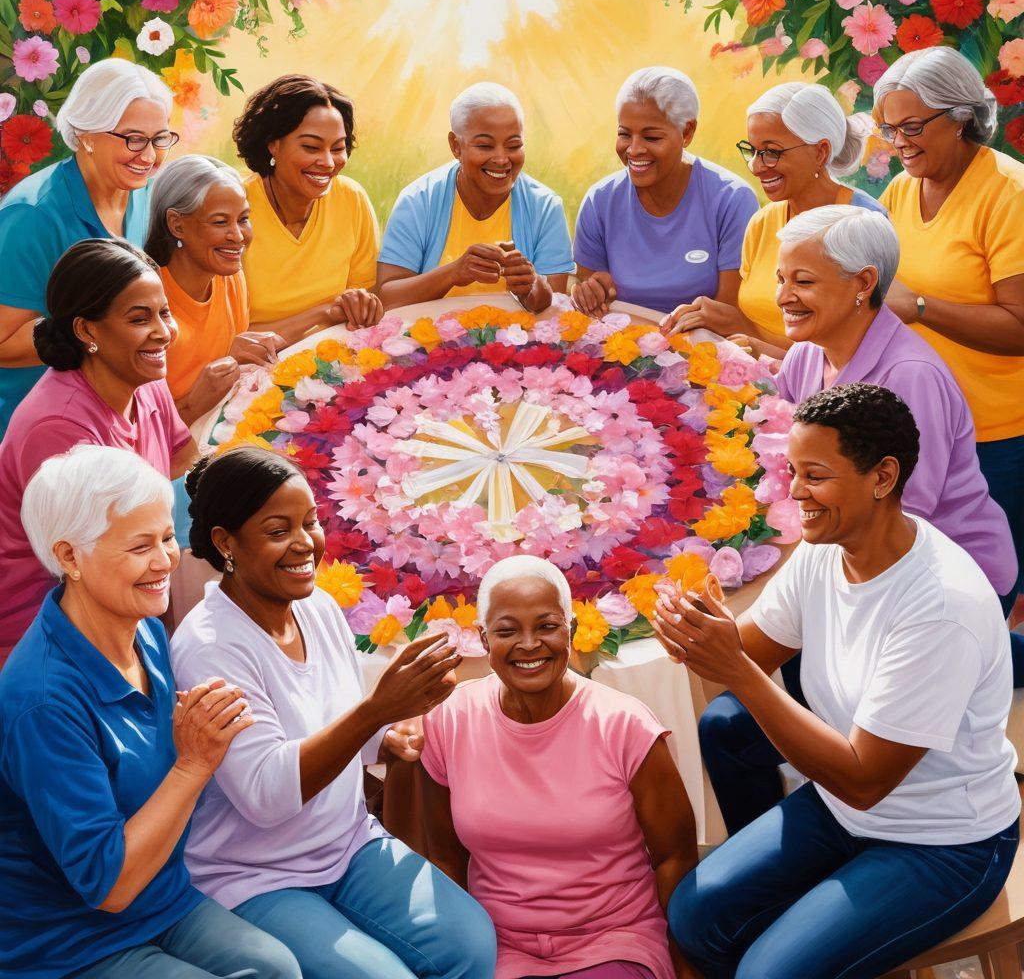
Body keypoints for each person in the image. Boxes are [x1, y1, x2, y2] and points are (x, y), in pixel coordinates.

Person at [654, 384, 1020, 979]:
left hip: (944, 845)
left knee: (768, 973)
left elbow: (863, 779)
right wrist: (695, 632)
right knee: (695, 920)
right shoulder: (825, 550)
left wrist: (737, 671)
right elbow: (747, 648)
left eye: (815, 476)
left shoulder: (940, 607)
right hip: (841, 812)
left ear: (882, 476)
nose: (796, 492)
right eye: (792, 471)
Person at [698, 204, 1019, 836]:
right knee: (740, 713)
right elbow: (777, 471)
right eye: (782, 278)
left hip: (935, 577)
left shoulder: (911, 376)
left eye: (804, 282)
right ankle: (780, 835)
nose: (783, 295)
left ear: (863, 284)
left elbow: (898, 519)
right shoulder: (807, 358)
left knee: (783, 693)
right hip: (848, 562)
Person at [170, 445, 497, 979]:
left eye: (311, 522)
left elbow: (337, 721)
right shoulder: (209, 646)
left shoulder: (316, 606)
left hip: (348, 846)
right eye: (278, 530)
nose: (305, 544)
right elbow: (267, 796)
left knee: (470, 945)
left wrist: (384, 737)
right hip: (254, 875)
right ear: (225, 542)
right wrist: (376, 713)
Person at [0, 444, 302, 978]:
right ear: (69, 557)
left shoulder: (145, 630)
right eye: (140, 546)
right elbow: (108, 886)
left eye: (166, 537)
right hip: (66, 941)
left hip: (164, 900)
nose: (165, 560)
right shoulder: (42, 700)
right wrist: (195, 761)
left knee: (277, 967)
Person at [420, 555, 697, 979]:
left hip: (614, 938)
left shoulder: (625, 725)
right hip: (498, 944)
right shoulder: (450, 718)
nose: (529, 644)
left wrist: (685, 964)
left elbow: (674, 856)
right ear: (483, 638)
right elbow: (443, 856)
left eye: (547, 626)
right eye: (507, 631)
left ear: (570, 629)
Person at [874, 47, 1024, 613]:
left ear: (961, 115)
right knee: (925, 603)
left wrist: (921, 307)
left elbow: (1020, 325)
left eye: (912, 126)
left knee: (981, 604)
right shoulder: (898, 192)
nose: (899, 142)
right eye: (889, 129)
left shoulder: (1009, 193)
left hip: (999, 437)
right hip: (916, 431)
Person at [0, 238, 196, 662]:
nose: (163, 331)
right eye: (140, 318)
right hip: (45, 633)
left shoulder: (144, 379)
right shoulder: (59, 427)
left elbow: (184, 458)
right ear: (87, 329)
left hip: (127, 588)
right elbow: (88, 571)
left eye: (164, 312)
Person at [0, 58, 174, 435]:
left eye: (160, 139)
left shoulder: (137, 193)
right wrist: (101, 335)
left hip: (107, 409)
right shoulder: (32, 216)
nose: (148, 156)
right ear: (87, 134)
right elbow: (2, 342)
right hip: (34, 422)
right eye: (133, 138)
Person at [664, 82, 885, 350]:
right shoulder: (762, 222)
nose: (756, 167)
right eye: (753, 151)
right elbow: (759, 327)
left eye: (771, 153)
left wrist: (759, 347)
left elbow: (855, 354)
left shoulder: (865, 222)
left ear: (820, 151)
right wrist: (725, 319)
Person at [571, 66, 758, 319]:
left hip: (706, 346)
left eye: (652, 137)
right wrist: (591, 292)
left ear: (687, 132)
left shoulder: (732, 199)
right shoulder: (600, 201)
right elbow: (591, 302)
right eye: (624, 134)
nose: (634, 150)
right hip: (621, 343)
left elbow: (728, 314)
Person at [377, 82, 574, 311]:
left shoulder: (545, 207)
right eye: (485, 145)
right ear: (455, 146)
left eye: (513, 145)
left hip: (519, 343)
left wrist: (529, 285)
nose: (501, 159)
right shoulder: (418, 201)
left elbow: (554, 307)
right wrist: (454, 273)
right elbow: (387, 297)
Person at [145, 154, 293, 426]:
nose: (238, 236)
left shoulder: (230, 276)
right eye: (220, 222)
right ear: (177, 224)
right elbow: (128, 432)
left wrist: (328, 313)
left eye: (244, 219)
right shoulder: (144, 303)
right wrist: (192, 405)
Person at [232, 73, 384, 335]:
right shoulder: (235, 208)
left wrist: (362, 304)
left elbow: (366, 301)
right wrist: (322, 313)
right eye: (312, 147)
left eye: (338, 148)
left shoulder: (352, 199)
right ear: (273, 144)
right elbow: (228, 336)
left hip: (331, 357)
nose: (327, 162)